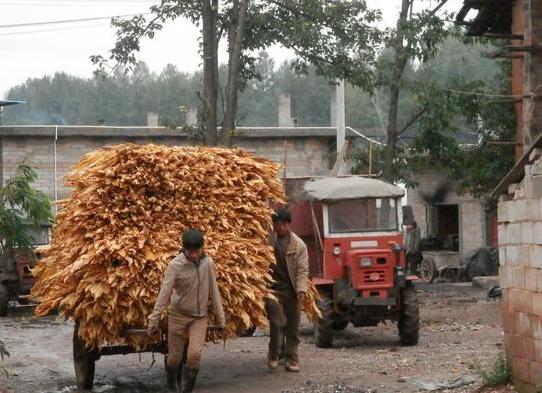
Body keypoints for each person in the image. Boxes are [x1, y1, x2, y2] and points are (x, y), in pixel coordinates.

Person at [147, 229, 225, 393]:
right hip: (178, 316)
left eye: (198, 251)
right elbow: (164, 293)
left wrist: (221, 318)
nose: (195, 255)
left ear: (202, 248)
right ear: (184, 249)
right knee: (174, 358)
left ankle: (186, 390)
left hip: (199, 318)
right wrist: (153, 320)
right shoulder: (175, 265)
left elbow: (214, 290)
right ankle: (172, 385)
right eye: (191, 252)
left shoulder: (208, 263)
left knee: (194, 355)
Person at [266, 208, 308, 372]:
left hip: (291, 290)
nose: (279, 227)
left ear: (288, 224)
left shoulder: (299, 246)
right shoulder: (269, 241)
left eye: (282, 224)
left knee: (293, 326)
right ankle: (274, 354)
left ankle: (292, 359)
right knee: (278, 322)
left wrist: (301, 289)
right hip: (272, 289)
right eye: (276, 224)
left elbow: (302, 270)